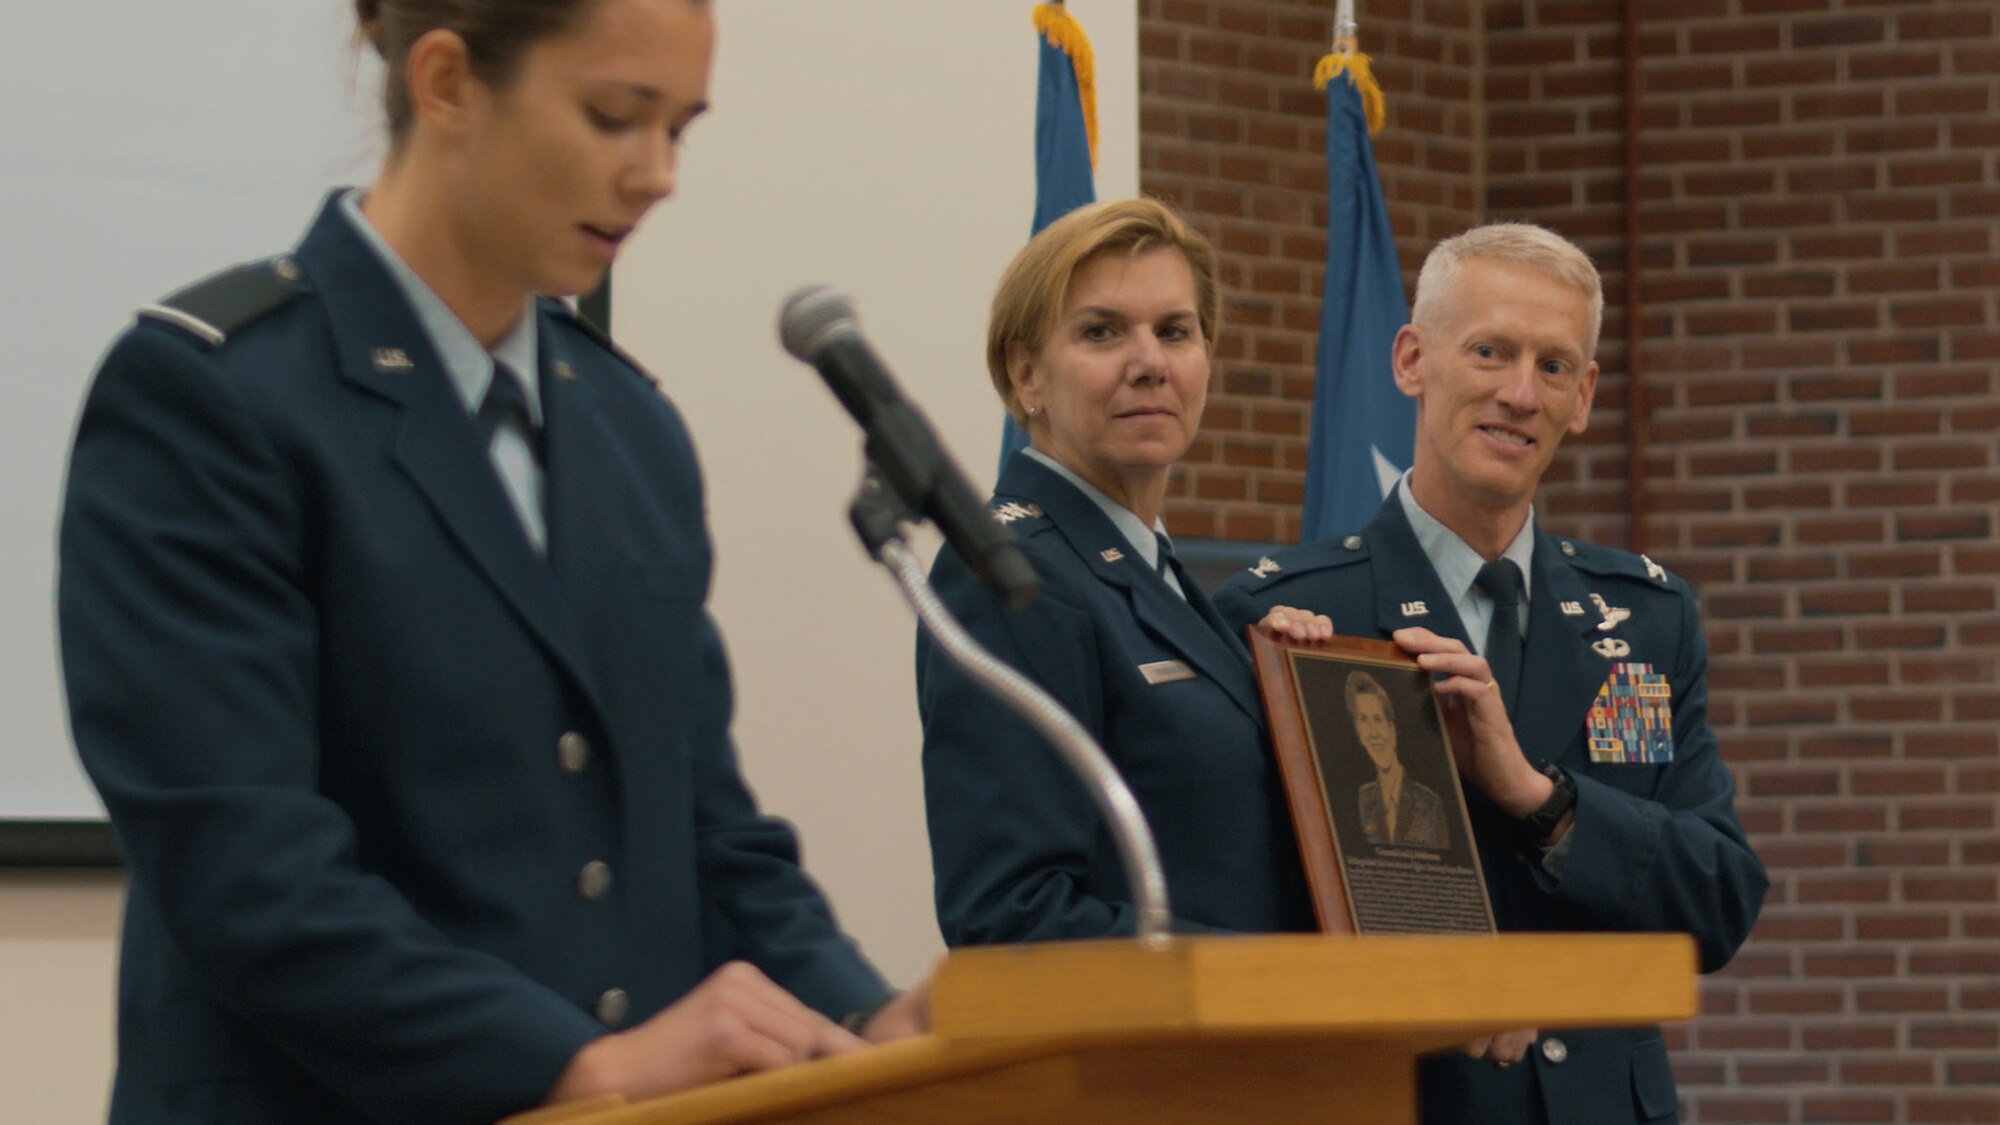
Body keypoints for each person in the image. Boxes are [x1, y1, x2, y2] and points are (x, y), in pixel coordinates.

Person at [57, 2, 924, 1121]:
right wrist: (577, 1065)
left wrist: (860, 1013)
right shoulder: (214, 397)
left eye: (681, 130)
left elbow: (702, 826)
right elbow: (245, 866)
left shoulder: (627, 426)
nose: (659, 175)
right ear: (448, 83)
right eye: (616, 117)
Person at [1217, 223, 1769, 1125]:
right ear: (1411, 359)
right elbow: (1243, 912)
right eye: (1489, 351)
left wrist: (1538, 797)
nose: (1519, 393)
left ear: (1584, 397)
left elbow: (1716, 900)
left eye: (1554, 366)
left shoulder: (1643, 623)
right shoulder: (1289, 624)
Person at [918, 197, 1343, 945]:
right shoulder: (1013, 574)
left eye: (1175, 331)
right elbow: (1014, 914)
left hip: (1255, 1052)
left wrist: (1294, 690)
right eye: (1101, 332)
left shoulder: (1162, 577)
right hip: (1145, 1056)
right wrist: (1274, 979)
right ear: (1027, 377)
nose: (1149, 363)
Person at [1347, 670, 1448, 849]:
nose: (1372, 733)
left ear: (1391, 729)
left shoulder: (1429, 804)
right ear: (1358, 733)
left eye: (1377, 719)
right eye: (1363, 720)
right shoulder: (1363, 800)